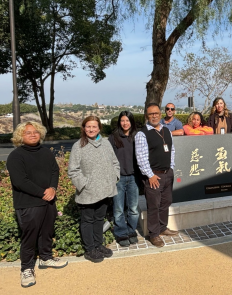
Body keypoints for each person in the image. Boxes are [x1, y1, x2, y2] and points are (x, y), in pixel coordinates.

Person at [7, 122, 68, 288]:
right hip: (28, 203)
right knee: (30, 237)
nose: (33, 135)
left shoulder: (45, 152)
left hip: (48, 200)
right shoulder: (16, 156)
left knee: (47, 232)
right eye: (28, 133)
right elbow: (20, 181)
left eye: (35, 132)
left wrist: (53, 188)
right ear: (21, 136)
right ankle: (26, 269)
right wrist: (43, 192)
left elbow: (55, 171)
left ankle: (46, 258)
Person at [68, 116, 120, 263]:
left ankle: (98, 244)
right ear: (84, 128)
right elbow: (73, 170)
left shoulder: (105, 143)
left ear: (99, 128)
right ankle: (90, 249)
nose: (91, 129)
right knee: (87, 220)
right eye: (88, 127)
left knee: (99, 219)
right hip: (88, 192)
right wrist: (84, 184)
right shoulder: (78, 146)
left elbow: (115, 162)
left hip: (105, 189)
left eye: (94, 127)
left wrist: (114, 176)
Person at [135, 103, 178, 248]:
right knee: (153, 205)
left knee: (165, 202)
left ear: (160, 114)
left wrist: (171, 168)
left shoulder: (166, 130)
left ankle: (162, 227)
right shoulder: (142, 134)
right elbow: (141, 157)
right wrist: (150, 175)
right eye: (151, 114)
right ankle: (154, 234)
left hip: (167, 174)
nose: (154, 116)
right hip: (154, 176)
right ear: (147, 116)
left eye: (156, 113)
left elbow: (171, 151)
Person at [108, 111, 140, 247]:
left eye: (127, 120)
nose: (125, 123)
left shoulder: (137, 137)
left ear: (131, 122)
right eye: (122, 121)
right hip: (119, 178)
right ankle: (121, 232)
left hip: (134, 177)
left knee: (133, 208)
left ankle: (131, 230)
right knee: (119, 209)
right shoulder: (113, 138)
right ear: (119, 122)